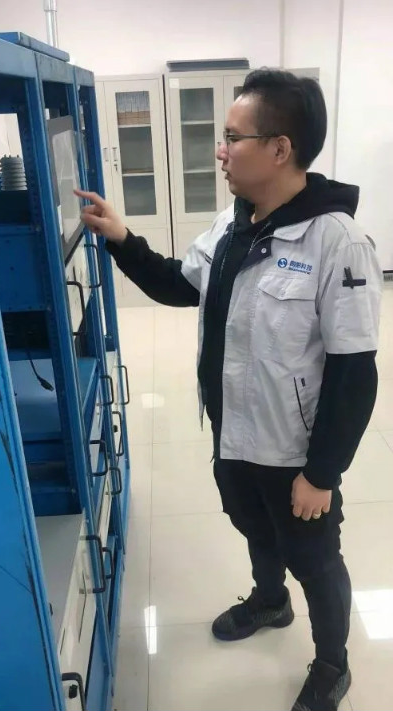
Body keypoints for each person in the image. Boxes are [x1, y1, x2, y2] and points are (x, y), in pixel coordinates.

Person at [76, 68, 382, 711]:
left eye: (233, 137)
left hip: (294, 448)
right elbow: (179, 285)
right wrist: (121, 238)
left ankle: (333, 664)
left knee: (315, 558)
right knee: (253, 527)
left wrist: (321, 475)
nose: (220, 150)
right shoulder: (232, 223)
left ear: (280, 148)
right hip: (234, 431)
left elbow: (355, 374)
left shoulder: (337, 242)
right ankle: (270, 602)